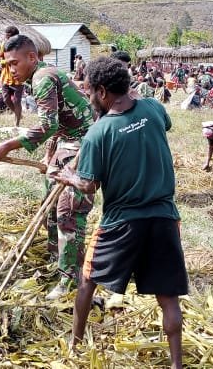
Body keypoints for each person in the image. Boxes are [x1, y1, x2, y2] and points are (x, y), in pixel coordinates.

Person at [48, 57, 186, 369]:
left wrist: (66, 175)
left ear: (102, 91)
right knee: (168, 297)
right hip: (165, 217)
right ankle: (176, 365)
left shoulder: (99, 133)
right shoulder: (152, 108)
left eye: (89, 92)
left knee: (86, 280)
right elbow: (165, 123)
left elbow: (88, 186)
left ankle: (75, 345)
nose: (88, 98)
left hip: (121, 223)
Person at [0, 34, 94, 300]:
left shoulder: (43, 77)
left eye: (14, 63)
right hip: (68, 142)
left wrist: (9, 146)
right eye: (7, 65)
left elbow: (49, 126)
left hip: (85, 144)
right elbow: (57, 125)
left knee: (68, 211)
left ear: (32, 58)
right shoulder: (40, 77)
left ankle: (70, 279)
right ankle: (55, 259)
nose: (11, 70)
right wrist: (49, 156)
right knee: (49, 199)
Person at [0, 26, 24, 127]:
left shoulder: (22, 47)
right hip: (5, 76)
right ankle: (18, 114)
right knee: (6, 99)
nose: (6, 39)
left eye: (8, 37)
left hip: (18, 77)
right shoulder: (3, 45)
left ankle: (17, 123)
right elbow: (0, 59)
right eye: (6, 37)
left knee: (17, 101)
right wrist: (5, 61)